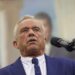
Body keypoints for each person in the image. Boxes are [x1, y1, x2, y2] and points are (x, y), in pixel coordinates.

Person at [0, 15, 75, 75]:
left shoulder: (69, 66)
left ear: (45, 39)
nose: (31, 33)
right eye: (25, 30)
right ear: (15, 44)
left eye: (36, 29)